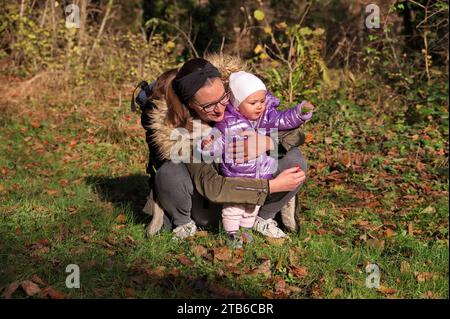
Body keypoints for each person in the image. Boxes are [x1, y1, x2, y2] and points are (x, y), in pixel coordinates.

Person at [141, 54, 308, 240]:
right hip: (206, 207)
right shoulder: (184, 132)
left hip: (250, 197)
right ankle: (182, 222)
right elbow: (212, 187)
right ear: (191, 104)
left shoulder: (241, 102)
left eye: (223, 98)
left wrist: (268, 142)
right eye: (209, 106)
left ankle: (263, 218)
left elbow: (296, 133)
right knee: (169, 172)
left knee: (294, 158)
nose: (220, 109)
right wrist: (271, 186)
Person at [197, 71, 314, 247]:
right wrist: (207, 145)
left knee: (252, 208)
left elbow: (284, 120)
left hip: (260, 174)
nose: (259, 106)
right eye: (253, 103)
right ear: (237, 105)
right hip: (236, 176)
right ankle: (231, 233)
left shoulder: (264, 116)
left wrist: (299, 113)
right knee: (234, 209)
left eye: (262, 101)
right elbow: (218, 140)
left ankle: (246, 231)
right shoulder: (228, 123)